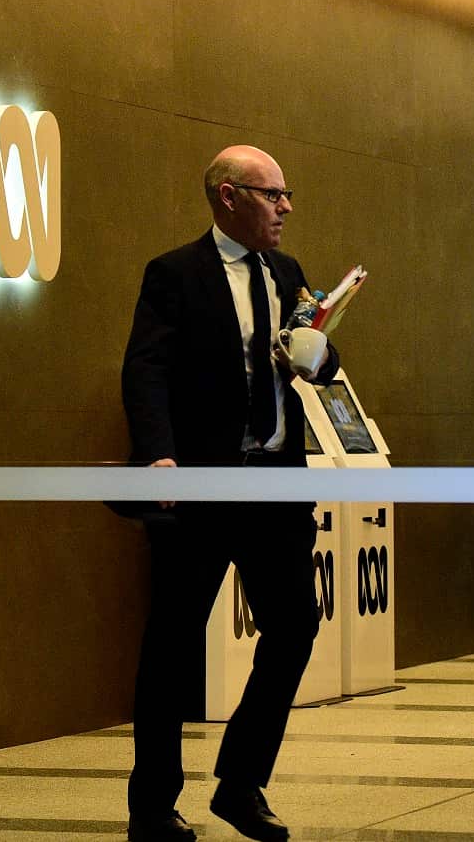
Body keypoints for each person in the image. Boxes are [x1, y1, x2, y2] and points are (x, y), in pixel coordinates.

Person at [121, 145, 339, 842]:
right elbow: (145, 369)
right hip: (201, 488)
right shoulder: (175, 275)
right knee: (172, 644)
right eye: (272, 194)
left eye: (286, 194)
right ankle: (152, 806)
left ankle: (241, 783)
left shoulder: (288, 272)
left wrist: (320, 356)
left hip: (275, 486)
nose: (286, 206)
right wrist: (159, 452)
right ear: (228, 196)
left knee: (296, 626)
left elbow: (321, 358)